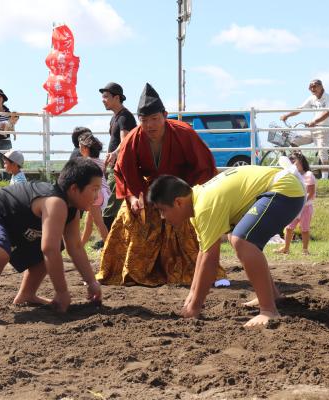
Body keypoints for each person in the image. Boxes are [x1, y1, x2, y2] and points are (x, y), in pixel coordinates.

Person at [96, 83, 225, 286]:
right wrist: (132, 197)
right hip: (148, 190)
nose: (150, 125)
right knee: (128, 215)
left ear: (165, 115)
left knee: (184, 223)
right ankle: (129, 272)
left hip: (182, 188)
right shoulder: (133, 138)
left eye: (155, 119)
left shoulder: (184, 133)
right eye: (144, 120)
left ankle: (205, 272)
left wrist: (188, 194)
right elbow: (123, 170)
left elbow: (203, 166)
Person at [148, 166, 305, 326]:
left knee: (242, 240)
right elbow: (203, 254)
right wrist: (193, 293)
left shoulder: (205, 206)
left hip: (285, 190)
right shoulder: (198, 202)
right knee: (235, 236)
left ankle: (269, 310)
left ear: (178, 202)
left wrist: (195, 307)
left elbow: (211, 260)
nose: (162, 217)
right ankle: (271, 296)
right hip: (282, 188)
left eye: (162, 210)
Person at [0, 158, 104, 323]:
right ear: (75, 189)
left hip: (12, 227)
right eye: (95, 189)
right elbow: (49, 249)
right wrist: (62, 292)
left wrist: (91, 282)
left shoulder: (72, 211)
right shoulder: (55, 202)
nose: (97, 196)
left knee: (56, 243)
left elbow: (75, 246)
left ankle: (27, 295)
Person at [99, 82, 137, 235]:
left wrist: (114, 153)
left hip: (121, 167)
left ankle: (108, 239)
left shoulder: (124, 117)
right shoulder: (116, 118)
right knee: (118, 204)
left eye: (106, 96)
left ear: (116, 97)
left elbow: (125, 140)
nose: (103, 99)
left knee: (110, 206)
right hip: (117, 166)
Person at [280, 79, 329, 179]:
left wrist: (315, 122)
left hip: (324, 130)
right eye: (310, 87)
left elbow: (327, 113)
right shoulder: (311, 98)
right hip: (313, 130)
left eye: (315, 86)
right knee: (294, 142)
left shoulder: (328, 97)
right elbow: (300, 109)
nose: (312, 89)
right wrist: (287, 115)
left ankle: (325, 178)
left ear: (321, 86)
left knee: (322, 151)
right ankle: (301, 168)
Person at [276, 152, 316, 255]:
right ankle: (286, 248)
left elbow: (310, 193)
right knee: (289, 228)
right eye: (291, 161)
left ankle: (305, 250)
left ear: (301, 162)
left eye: (294, 160)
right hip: (295, 206)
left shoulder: (308, 175)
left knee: (305, 229)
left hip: (305, 207)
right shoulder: (293, 175)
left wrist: (302, 202)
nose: (293, 163)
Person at [77, 131, 111, 246]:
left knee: (100, 224)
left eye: (80, 147)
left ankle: (109, 249)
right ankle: (80, 246)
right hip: (104, 194)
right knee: (88, 222)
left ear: (85, 149)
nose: (79, 149)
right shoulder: (100, 162)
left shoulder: (87, 163)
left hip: (96, 195)